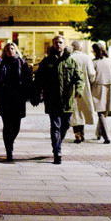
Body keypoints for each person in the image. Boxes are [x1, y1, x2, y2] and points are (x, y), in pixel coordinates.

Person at [34, 35, 81, 165]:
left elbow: (79, 77)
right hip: (52, 99)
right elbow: (39, 80)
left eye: (60, 42)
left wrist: (79, 90)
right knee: (55, 125)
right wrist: (36, 94)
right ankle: (57, 151)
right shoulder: (47, 61)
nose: (58, 45)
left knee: (65, 125)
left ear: (64, 44)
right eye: (56, 43)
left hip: (68, 100)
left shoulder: (71, 61)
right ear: (53, 45)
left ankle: (58, 142)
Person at [0, 42, 32, 162]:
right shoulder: (2, 64)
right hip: (5, 99)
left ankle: (10, 142)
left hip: (18, 99)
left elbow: (28, 81)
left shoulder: (22, 64)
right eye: (8, 49)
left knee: (16, 126)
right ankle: (9, 150)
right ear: (5, 51)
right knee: (7, 125)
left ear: (16, 50)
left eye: (12, 48)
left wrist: (29, 95)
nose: (10, 50)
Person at [91, 42, 111, 144]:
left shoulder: (94, 62)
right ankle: (98, 133)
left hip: (99, 87)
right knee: (104, 112)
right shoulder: (110, 61)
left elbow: (92, 77)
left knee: (100, 113)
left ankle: (107, 137)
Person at [68, 40, 96, 143]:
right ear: (81, 48)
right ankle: (82, 132)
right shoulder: (87, 58)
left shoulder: (69, 58)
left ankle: (77, 134)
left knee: (75, 111)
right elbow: (91, 74)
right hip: (84, 87)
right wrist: (91, 82)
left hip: (72, 88)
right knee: (83, 109)